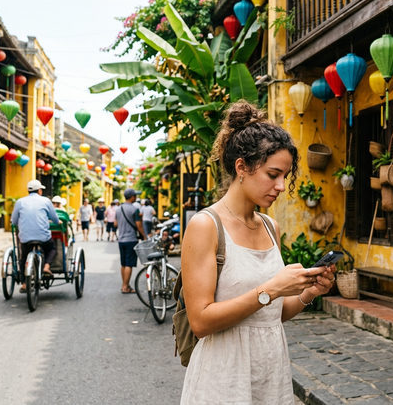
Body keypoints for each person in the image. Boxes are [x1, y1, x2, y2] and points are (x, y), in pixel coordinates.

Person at [179, 101, 335, 403]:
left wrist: (307, 293)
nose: (279, 186)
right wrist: (271, 288)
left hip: (270, 372)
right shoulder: (205, 226)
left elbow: (271, 314)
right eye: (272, 174)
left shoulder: (269, 227)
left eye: (285, 177)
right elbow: (200, 321)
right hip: (223, 378)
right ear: (242, 167)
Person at [11, 180, 60, 291]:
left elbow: (14, 221)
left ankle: (24, 283)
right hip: (43, 237)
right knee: (52, 248)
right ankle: (46, 267)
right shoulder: (46, 201)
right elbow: (55, 218)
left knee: (23, 257)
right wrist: (57, 222)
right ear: (39, 190)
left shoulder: (20, 202)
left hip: (25, 238)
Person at [116, 188, 146, 294]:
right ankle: (125, 287)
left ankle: (124, 285)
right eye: (135, 196)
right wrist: (144, 236)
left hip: (121, 240)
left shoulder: (118, 209)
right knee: (129, 264)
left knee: (123, 264)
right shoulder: (134, 210)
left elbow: (115, 224)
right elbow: (139, 225)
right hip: (131, 239)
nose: (136, 198)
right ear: (132, 197)